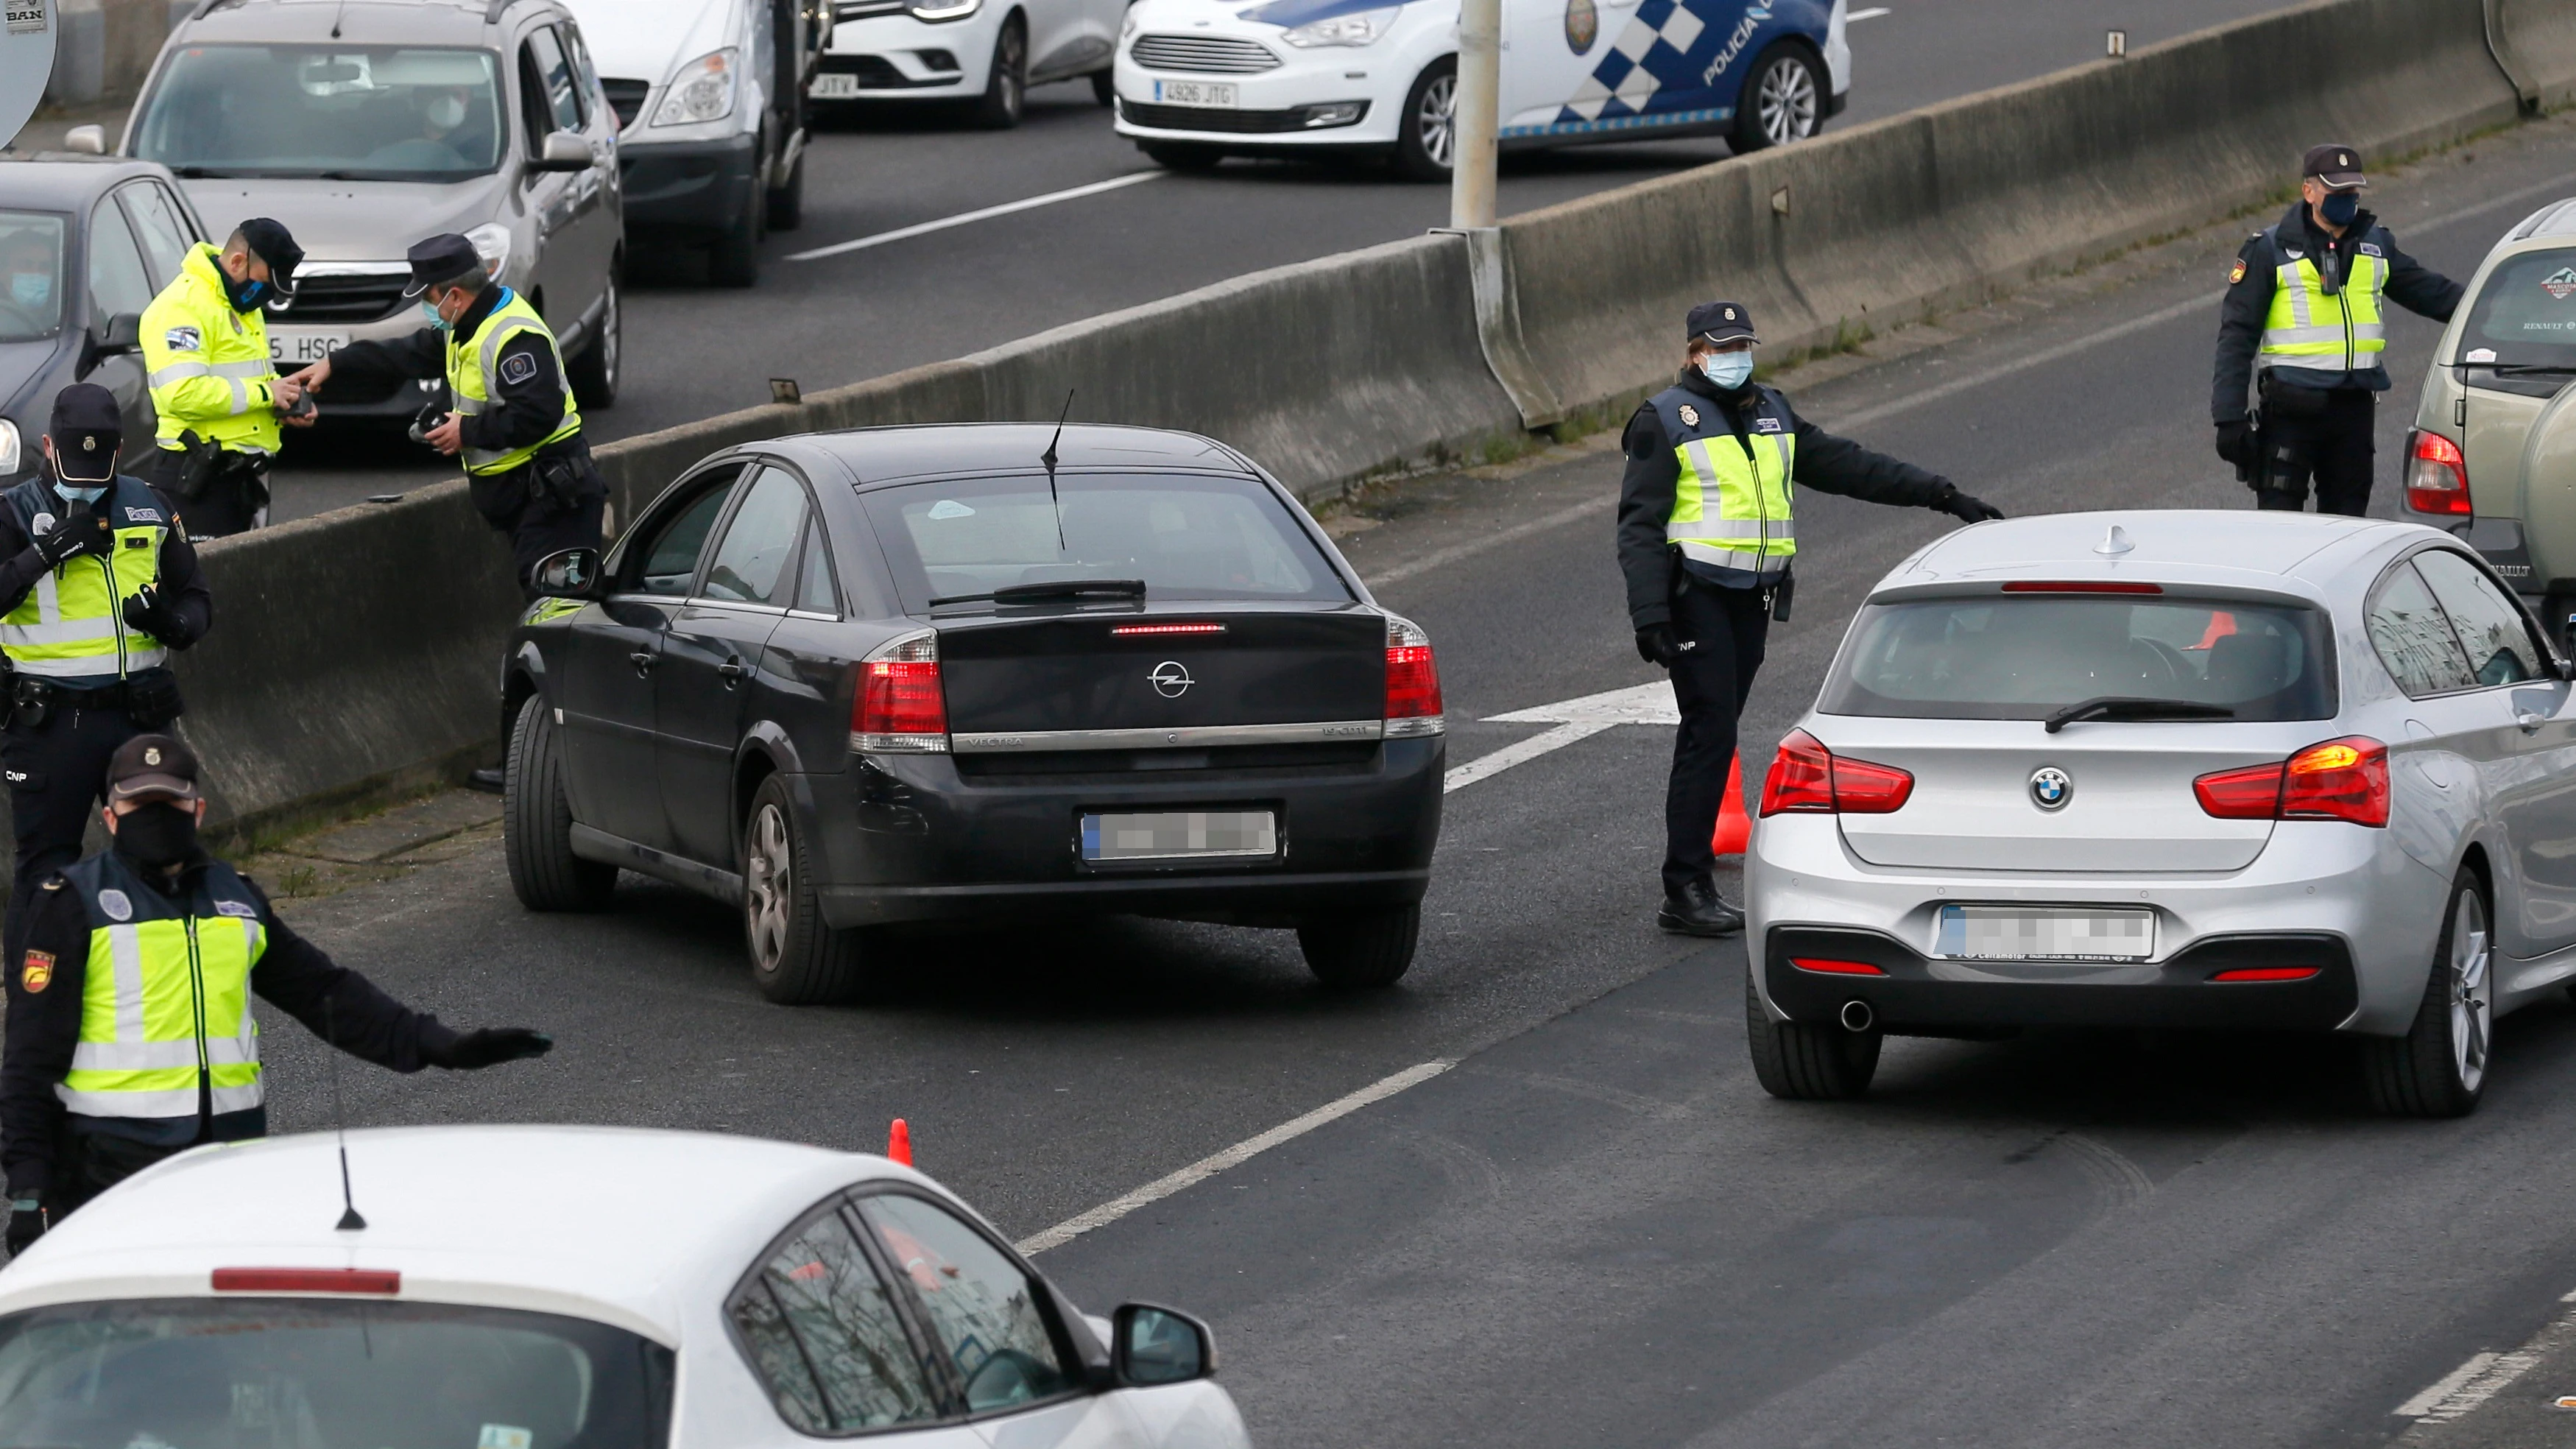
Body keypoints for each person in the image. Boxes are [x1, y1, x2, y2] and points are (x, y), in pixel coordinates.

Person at [1, 734, 554, 1250]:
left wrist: (439, 1045)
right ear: (110, 818)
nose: (155, 816)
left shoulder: (235, 897)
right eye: (138, 805)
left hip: (231, 1160)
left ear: (198, 809)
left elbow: (323, 992)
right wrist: (28, 1190)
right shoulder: (72, 902)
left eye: (168, 803)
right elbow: (30, 1057)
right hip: (112, 1166)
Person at [1617, 301, 2002, 937]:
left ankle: (1686, 883)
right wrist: (1649, 612)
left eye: (1743, 344)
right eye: (1721, 346)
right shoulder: (1664, 420)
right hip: (1696, 594)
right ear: (1694, 353)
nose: (1734, 355)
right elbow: (1638, 525)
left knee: (1715, 729)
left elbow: (1849, 465)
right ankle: (1683, 888)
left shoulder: (1771, 410)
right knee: (1709, 731)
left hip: (1753, 597)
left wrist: (1939, 493)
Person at [289, 233, 606, 791]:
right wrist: (336, 365)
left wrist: (470, 430)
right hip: (529, 507)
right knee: (545, 635)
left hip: (553, 505)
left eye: (428, 297)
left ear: (453, 295)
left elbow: (539, 412)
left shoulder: (512, 336)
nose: (427, 309)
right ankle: (537, 768)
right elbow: (408, 352)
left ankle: (543, 774)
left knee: (554, 639)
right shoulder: (470, 325)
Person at [0, 384, 211, 970]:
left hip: (139, 716)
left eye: (101, 466)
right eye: (75, 464)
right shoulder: (15, 511)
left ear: (118, 454)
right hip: (51, 725)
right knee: (47, 868)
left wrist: (170, 622)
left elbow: (198, 599)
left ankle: (158, 984)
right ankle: (35, 999)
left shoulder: (148, 504)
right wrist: (45, 552)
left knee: (162, 856)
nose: (88, 479)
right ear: (47, 447)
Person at [2213, 144, 2464, 515]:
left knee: (2348, 530)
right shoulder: (2270, 250)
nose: (2347, 199)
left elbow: (2431, 293)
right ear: (2309, 192)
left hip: (2353, 410)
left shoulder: (2376, 244)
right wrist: (2229, 418)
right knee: (2281, 530)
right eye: (2336, 190)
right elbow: (2237, 335)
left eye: (2352, 191)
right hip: (2291, 409)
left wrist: (2489, 307)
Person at [136, 218, 311, 540]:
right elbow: (183, 393)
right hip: (198, 479)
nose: (268, 296)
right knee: (206, 585)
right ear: (236, 262)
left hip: (238, 481)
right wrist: (266, 394)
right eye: (265, 284)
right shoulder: (182, 307)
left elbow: (249, 376)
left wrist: (283, 402)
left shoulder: (240, 303)